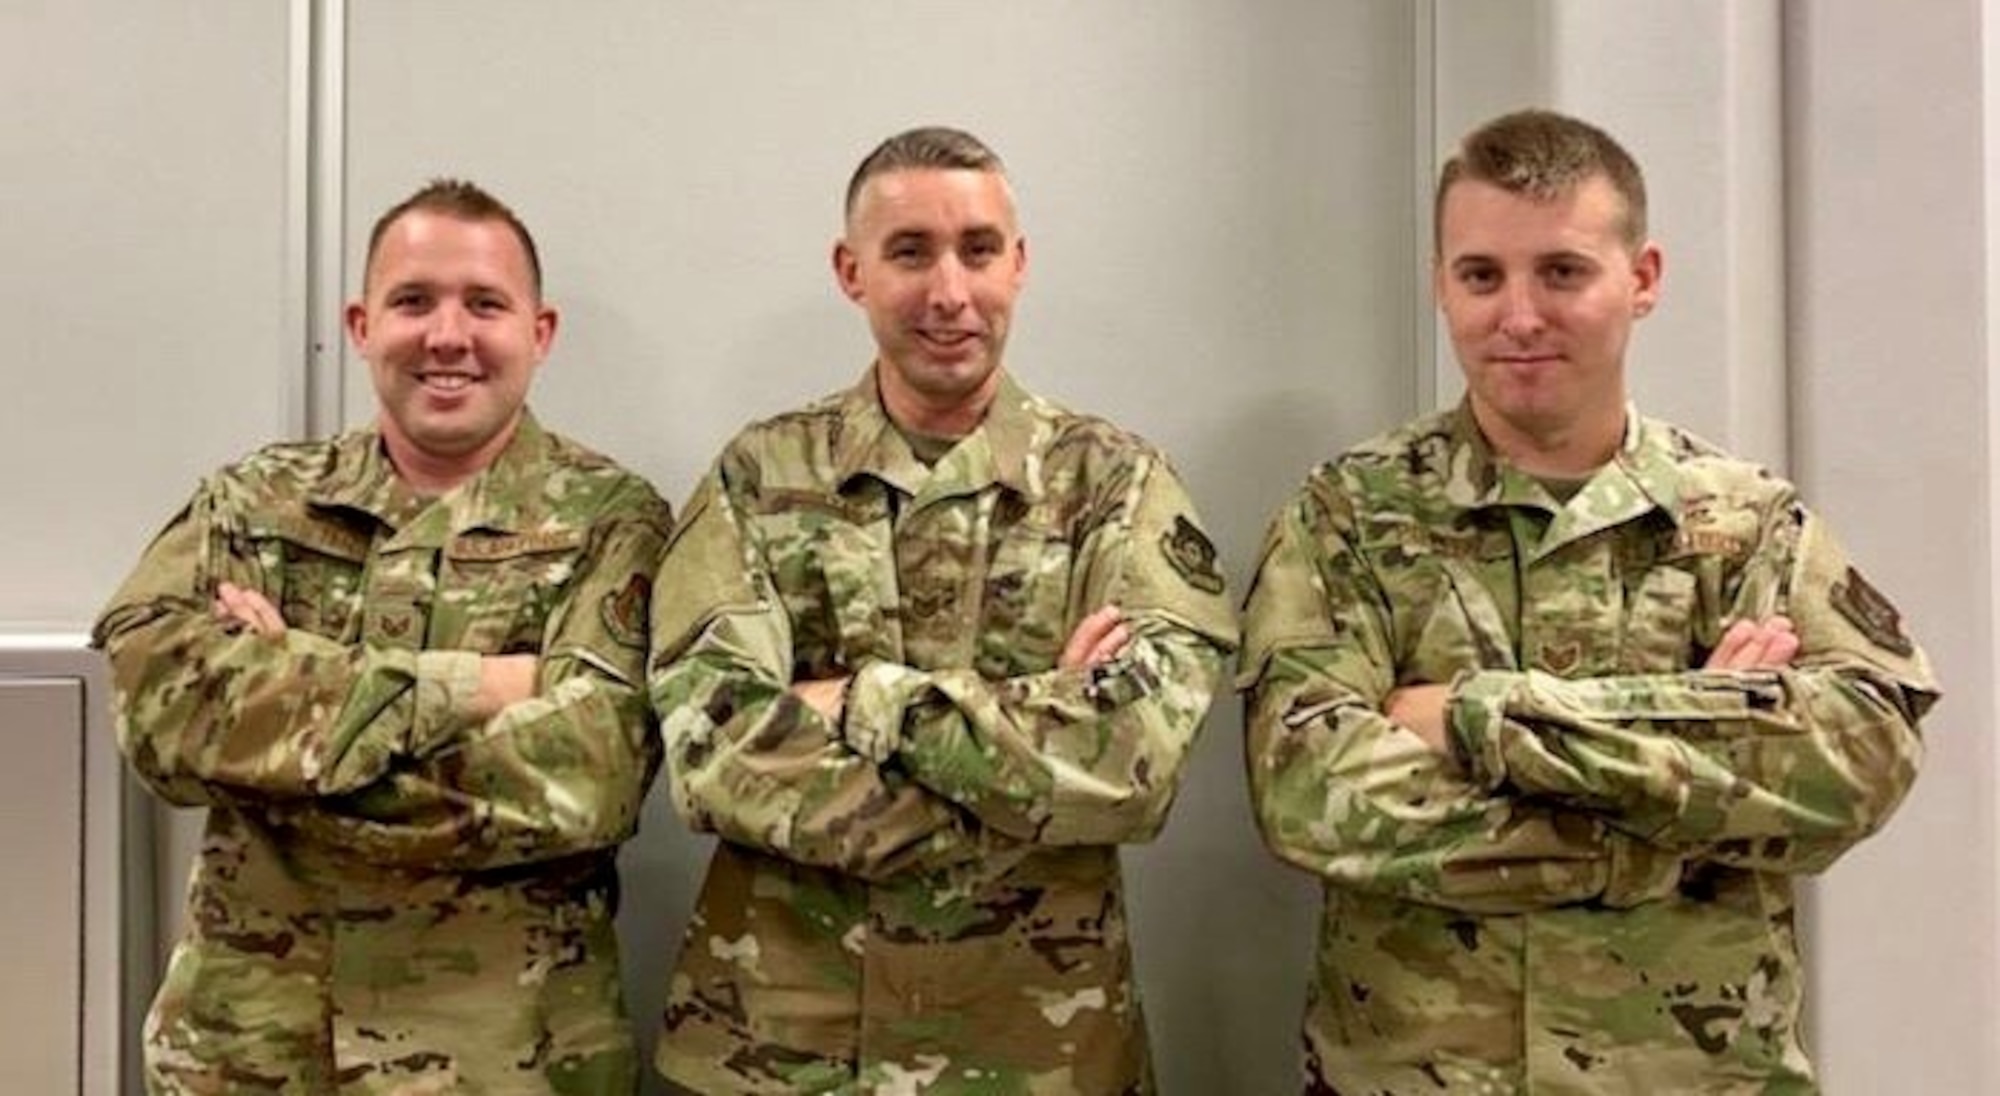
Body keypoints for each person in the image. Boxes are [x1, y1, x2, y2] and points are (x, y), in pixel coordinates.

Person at [1240, 108, 1937, 1092]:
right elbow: (1306, 792)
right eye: (1480, 275)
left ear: (1640, 279)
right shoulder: (1348, 517)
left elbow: (1862, 754)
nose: (1518, 316)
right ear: (1440, 284)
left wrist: (1482, 717)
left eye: (1560, 271)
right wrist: (1677, 800)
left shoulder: (1743, 523)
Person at [647, 125, 1238, 1094]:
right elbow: (710, 752)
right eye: (909, 252)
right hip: (770, 1048)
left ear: (1019, 262)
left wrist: (856, 703)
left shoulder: (1114, 485)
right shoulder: (761, 476)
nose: (948, 292)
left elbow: (1131, 764)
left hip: (1037, 1051)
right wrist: (1026, 761)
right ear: (851, 271)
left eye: (976, 249)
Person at [93, 179, 673, 1094]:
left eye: (485, 304)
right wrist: (480, 689)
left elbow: (593, 777)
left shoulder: (612, 520)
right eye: (413, 302)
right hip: (250, 1054)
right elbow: (158, 721)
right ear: (362, 326)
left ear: (540, 332)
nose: (448, 335)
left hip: (507, 1060)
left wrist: (285, 723)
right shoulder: (254, 500)